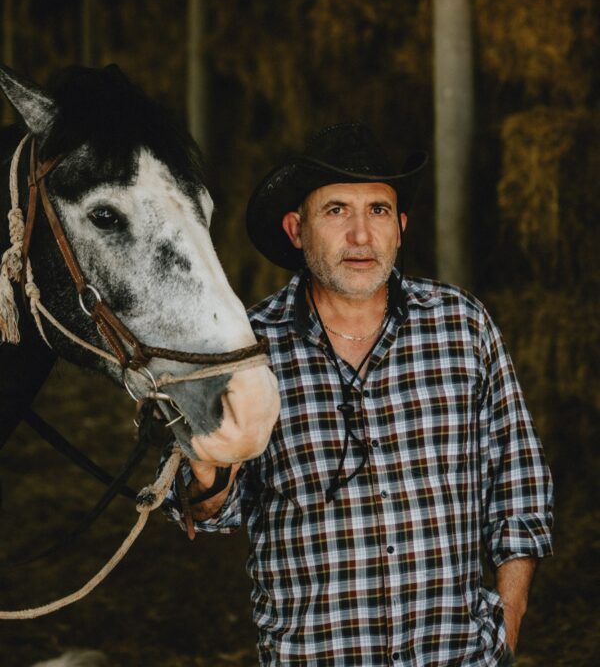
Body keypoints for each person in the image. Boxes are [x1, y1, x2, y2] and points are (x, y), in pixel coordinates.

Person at [165, 123, 553, 667]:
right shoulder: (247, 350)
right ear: (296, 230)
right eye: (336, 211)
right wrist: (207, 469)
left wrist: (508, 623)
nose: (361, 236)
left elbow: (519, 482)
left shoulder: (463, 326)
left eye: (378, 210)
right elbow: (208, 512)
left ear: (401, 227)